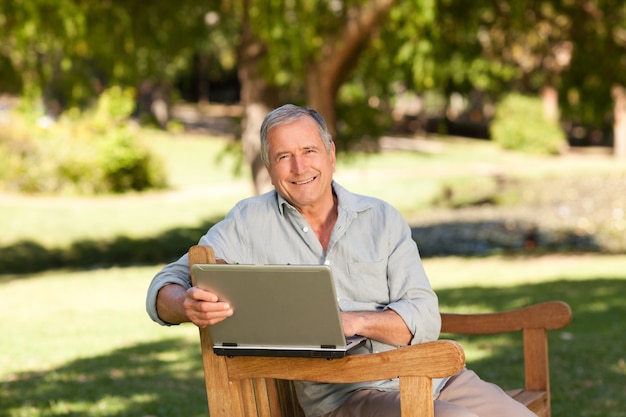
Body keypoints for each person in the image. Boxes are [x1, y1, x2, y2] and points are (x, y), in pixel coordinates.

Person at [146, 104, 535, 417]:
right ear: (269, 168)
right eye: (284, 156)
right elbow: (166, 283)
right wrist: (184, 303)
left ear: (331, 156)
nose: (300, 168)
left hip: (434, 376)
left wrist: (353, 321)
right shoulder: (249, 224)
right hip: (349, 394)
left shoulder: (381, 218)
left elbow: (424, 316)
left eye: (309, 151)